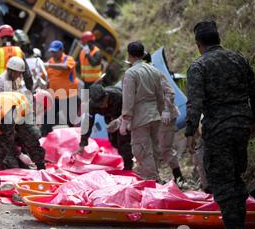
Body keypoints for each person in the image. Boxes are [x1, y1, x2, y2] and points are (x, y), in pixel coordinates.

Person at [185, 21, 255, 229]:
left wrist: (190, 132)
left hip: (218, 129)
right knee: (236, 175)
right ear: (218, 38)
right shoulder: (238, 59)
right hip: (241, 126)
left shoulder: (199, 66)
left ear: (199, 44)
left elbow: (195, 103)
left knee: (221, 178)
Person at [0, 91, 45, 187]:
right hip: (1, 107)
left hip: (20, 109)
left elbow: (5, 144)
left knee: (31, 138)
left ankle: (41, 169)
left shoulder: (6, 118)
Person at [121, 42, 164, 181]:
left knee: (142, 150)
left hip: (140, 117)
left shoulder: (131, 73)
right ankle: (156, 175)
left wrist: (125, 119)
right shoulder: (154, 70)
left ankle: (151, 180)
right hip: (155, 114)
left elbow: (128, 98)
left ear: (129, 55)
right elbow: (160, 94)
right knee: (154, 148)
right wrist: (161, 111)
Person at [143, 52, 184, 184]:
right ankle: (156, 178)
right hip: (155, 117)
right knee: (155, 148)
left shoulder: (154, 73)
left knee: (165, 149)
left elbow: (169, 92)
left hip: (165, 117)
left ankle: (179, 178)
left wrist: (166, 110)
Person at [77, 84, 133, 170]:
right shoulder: (92, 105)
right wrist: (82, 143)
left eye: (103, 102)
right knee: (114, 141)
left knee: (124, 142)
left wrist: (120, 120)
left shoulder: (118, 96)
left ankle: (128, 166)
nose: (104, 106)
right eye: (100, 105)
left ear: (106, 95)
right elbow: (87, 123)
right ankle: (128, 154)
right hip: (110, 119)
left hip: (124, 117)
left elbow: (131, 109)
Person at [41, 40, 80, 136]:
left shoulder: (68, 59)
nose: (53, 54)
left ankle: (73, 141)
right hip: (54, 97)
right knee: (47, 120)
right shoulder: (49, 62)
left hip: (69, 97)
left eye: (55, 51)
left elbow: (65, 67)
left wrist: (49, 65)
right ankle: (43, 140)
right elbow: (42, 78)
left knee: (70, 121)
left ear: (61, 50)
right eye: (52, 52)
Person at [0, 24, 33, 91]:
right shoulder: (19, 52)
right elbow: (27, 76)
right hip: (14, 91)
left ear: (4, 39)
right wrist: (30, 91)